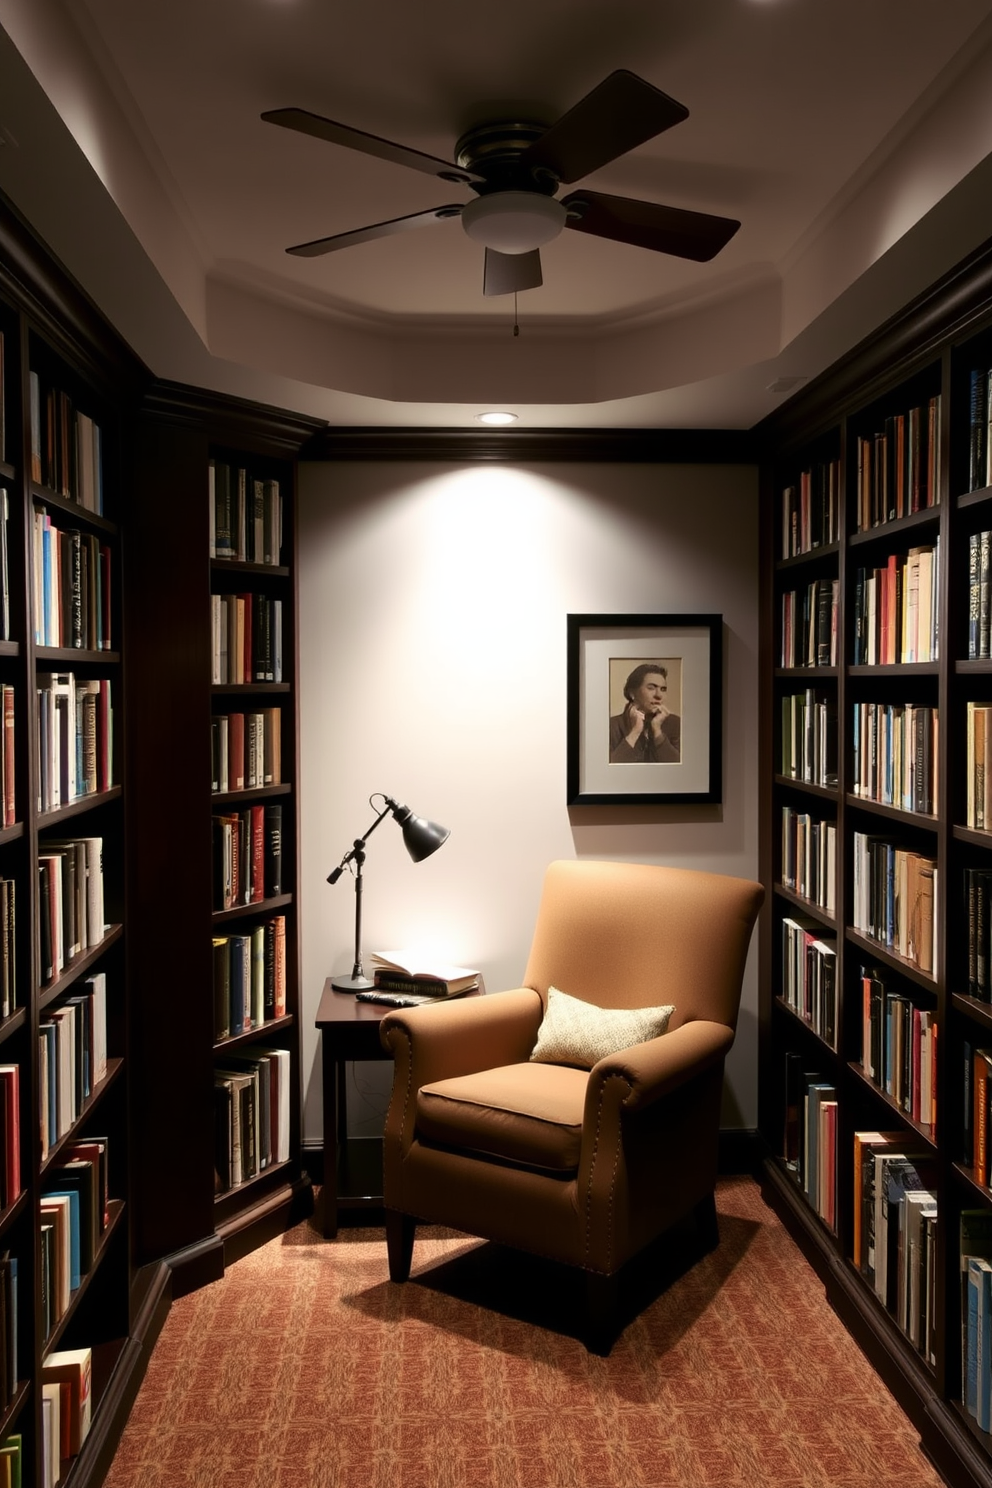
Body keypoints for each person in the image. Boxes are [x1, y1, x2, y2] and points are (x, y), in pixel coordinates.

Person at [609, 662, 681, 763]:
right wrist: (635, 731)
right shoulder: (612, 726)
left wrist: (657, 731)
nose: (659, 695)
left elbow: (680, 768)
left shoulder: (676, 724)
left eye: (663, 689)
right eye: (651, 688)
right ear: (632, 693)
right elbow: (609, 769)